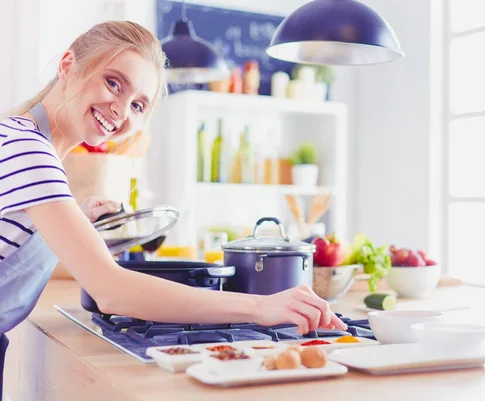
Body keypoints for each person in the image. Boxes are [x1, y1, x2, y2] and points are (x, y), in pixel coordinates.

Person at [0, 21, 345, 398]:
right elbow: (112, 291)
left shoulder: (24, 140)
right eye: (113, 82)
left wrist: (74, 222)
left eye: (137, 104)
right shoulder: (29, 150)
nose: (120, 110)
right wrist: (261, 308)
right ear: (68, 65)